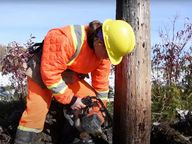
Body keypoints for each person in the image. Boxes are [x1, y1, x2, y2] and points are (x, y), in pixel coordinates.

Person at [14, 19, 135, 144]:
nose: (108, 59)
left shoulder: (103, 55)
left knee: (92, 103)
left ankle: (78, 138)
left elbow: (101, 85)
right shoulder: (64, 39)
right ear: (99, 43)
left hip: (67, 76)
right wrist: (71, 100)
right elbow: (50, 74)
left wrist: (98, 110)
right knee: (35, 115)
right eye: (108, 55)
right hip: (41, 72)